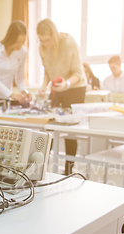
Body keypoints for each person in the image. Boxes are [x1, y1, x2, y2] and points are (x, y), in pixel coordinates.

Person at [37, 18, 87, 175]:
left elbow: (78, 73)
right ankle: (43, 168)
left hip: (75, 88)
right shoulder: (42, 48)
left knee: (69, 131)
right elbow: (47, 71)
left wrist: (66, 84)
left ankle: (68, 170)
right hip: (57, 89)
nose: (45, 43)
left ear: (54, 34)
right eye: (41, 40)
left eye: (47, 40)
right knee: (49, 127)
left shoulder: (68, 42)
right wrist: (43, 86)